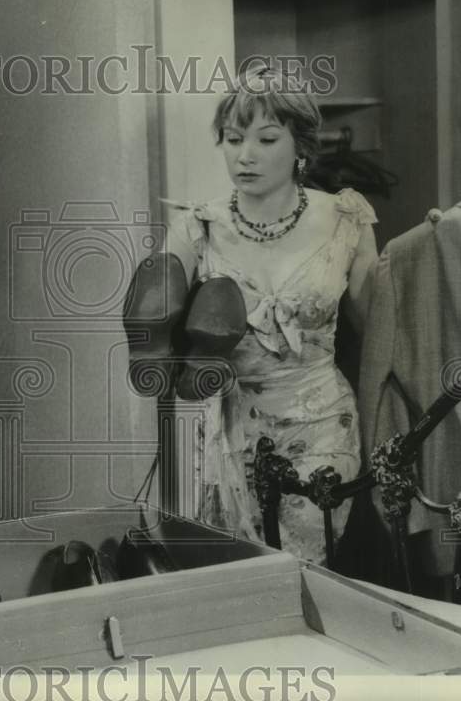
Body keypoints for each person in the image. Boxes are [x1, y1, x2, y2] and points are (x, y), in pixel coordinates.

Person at [161, 66, 378, 563]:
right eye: (233, 139)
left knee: (301, 573)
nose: (246, 155)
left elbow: (373, 331)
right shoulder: (196, 228)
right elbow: (160, 345)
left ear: (300, 145)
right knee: (238, 578)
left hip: (323, 424)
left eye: (265, 138)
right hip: (229, 432)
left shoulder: (347, 219)